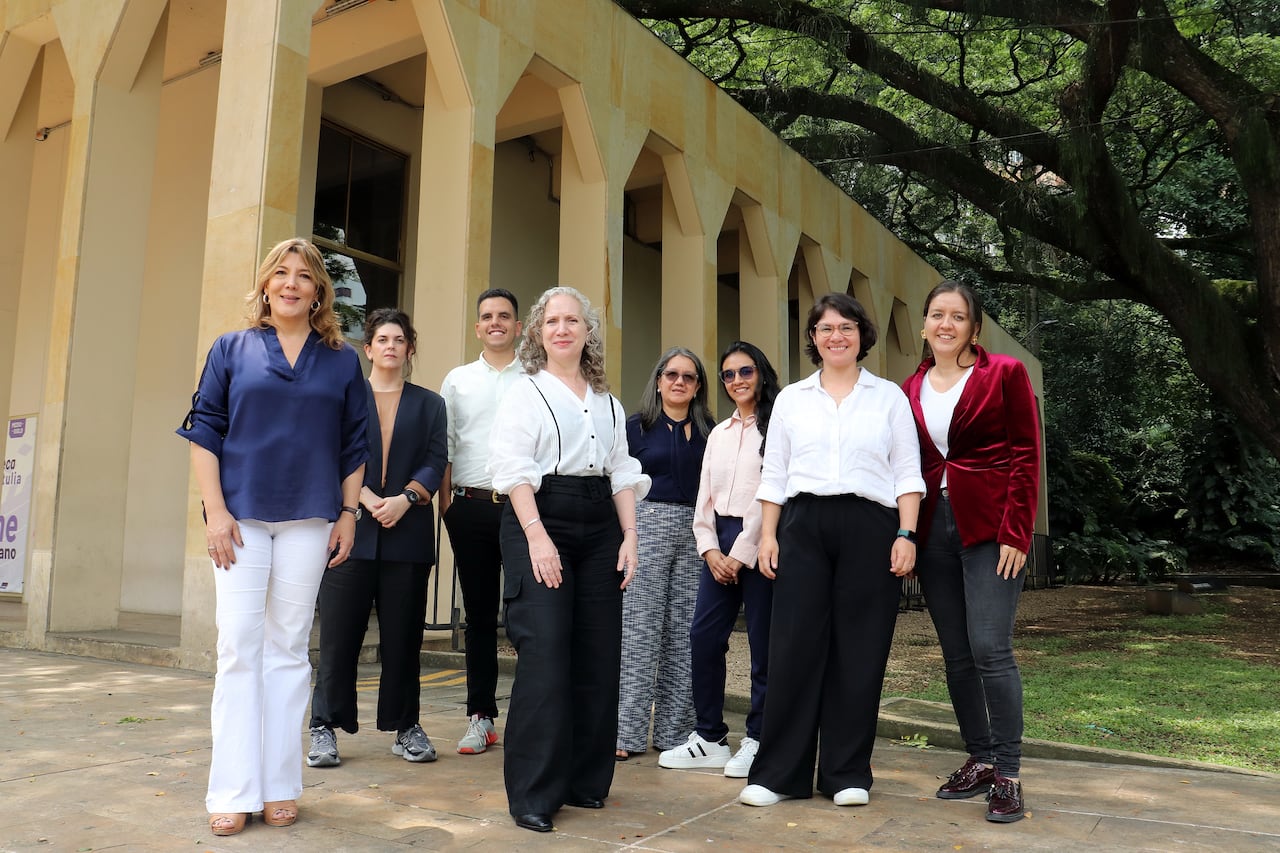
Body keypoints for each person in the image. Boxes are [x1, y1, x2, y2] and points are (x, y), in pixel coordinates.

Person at [177, 238, 368, 837]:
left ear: (318, 292)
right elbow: (205, 429)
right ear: (265, 285)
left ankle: (280, 784)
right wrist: (214, 512)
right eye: (280, 273)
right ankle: (232, 790)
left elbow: (355, 443)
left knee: (287, 648)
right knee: (239, 646)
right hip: (241, 518)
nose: (291, 283)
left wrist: (348, 513)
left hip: (310, 518)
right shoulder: (231, 349)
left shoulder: (341, 360)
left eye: (304, 276)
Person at [739, 292, 924, 809]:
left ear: (862, 335)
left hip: (872, 526)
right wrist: (768, 536)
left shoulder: (889, 398)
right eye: (825, 328)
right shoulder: (792, 400)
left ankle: (846, 773)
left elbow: (907, 473)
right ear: (813, 338)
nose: (836, 336)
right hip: (802, 525)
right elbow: (774, 474)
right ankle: (779, 774)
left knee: (860, 649)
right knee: (793, 647)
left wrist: (907, 534)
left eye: (846, 327)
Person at [488, 286, 650, 833]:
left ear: (587, 331)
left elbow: (621, 471)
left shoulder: (608, 402)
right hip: (539, 515)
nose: (562, 329)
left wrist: (630, 536)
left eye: (572, 320)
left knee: (598, 654)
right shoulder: (524, 392)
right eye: (552, 320)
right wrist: (536, 536)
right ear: (538, 331)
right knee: (546, 654)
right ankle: (534, 794)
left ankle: (584, 781)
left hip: (601, 522)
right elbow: (512, 469)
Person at [901, 280, 1041, 823]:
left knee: (990, 648)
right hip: (932, 530)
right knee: (957, 654)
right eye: (937, 314)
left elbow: (1026, 453)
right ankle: (979, 759)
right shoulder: (909, 387)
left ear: (974, 328)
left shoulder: (1004, 373)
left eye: (957, 316)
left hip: (990, 530)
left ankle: (1008, 773)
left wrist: (1017, 531)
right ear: (924, 325)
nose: (946, 324)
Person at [307, 308, 448, 768]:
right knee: (338, 639)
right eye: (382, 339)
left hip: (407, 534)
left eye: (399, 340)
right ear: (368, 349)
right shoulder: (345, 398)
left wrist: (406, 498)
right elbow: (331, 453)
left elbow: (436, 459)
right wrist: (365, 498)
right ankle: (324, 727)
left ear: (410, 349)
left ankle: (406, 726)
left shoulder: (430, 404)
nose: (391, 346)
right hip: (350, 532)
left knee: (403, 641)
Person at [659, 341, 780, 778]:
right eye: (728, 374)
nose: (737, 381)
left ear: (761, 373)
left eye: (745, 371)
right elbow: (704, 497)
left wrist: (741, 551)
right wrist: (709, 549)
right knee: (704, 637)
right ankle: (709, 737)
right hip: (718, 543)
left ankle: (759, 738)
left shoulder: (777, 428)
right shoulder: (720, 433)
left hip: (761, 542)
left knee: (763, 647)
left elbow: (773, 490)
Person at [615, 347, 713, 761]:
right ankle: (626, 733)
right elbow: (618, 482)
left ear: (698, 386)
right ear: (658, 381)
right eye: (671, 374)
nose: (679, 382)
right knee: (639, 630)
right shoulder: (635, 427)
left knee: (684, 632)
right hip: (647, 524)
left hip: (695, 531)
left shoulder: (711, 432)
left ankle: (674, 732)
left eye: (689, 377)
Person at [439, 288, 524, 755]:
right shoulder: (458, 380)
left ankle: (532, 717)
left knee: (529, 616)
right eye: (488, 316)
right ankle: (481, 717)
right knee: (479, 617)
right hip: (469, 507)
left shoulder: (535, 377)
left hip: (523, 510)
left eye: (504, 316)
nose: (496, 322)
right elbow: (445, 444)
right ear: (478, 327)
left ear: (518, 326)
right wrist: (446, 506)